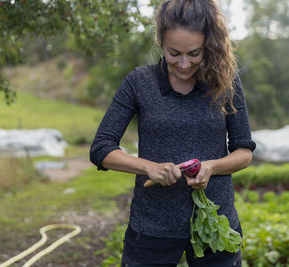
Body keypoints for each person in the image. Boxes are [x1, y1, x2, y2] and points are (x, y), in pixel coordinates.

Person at [89, 0, 256, 266]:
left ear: (209, 45)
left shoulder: (225, 80)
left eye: (195, 53)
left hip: (215, 224)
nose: (184, 63)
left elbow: (244, 152)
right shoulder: (139, 83)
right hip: (153, 226)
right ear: (160, 41)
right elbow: (101, 148)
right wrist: (149, 168)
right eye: (174, 53)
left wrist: (211, 167)